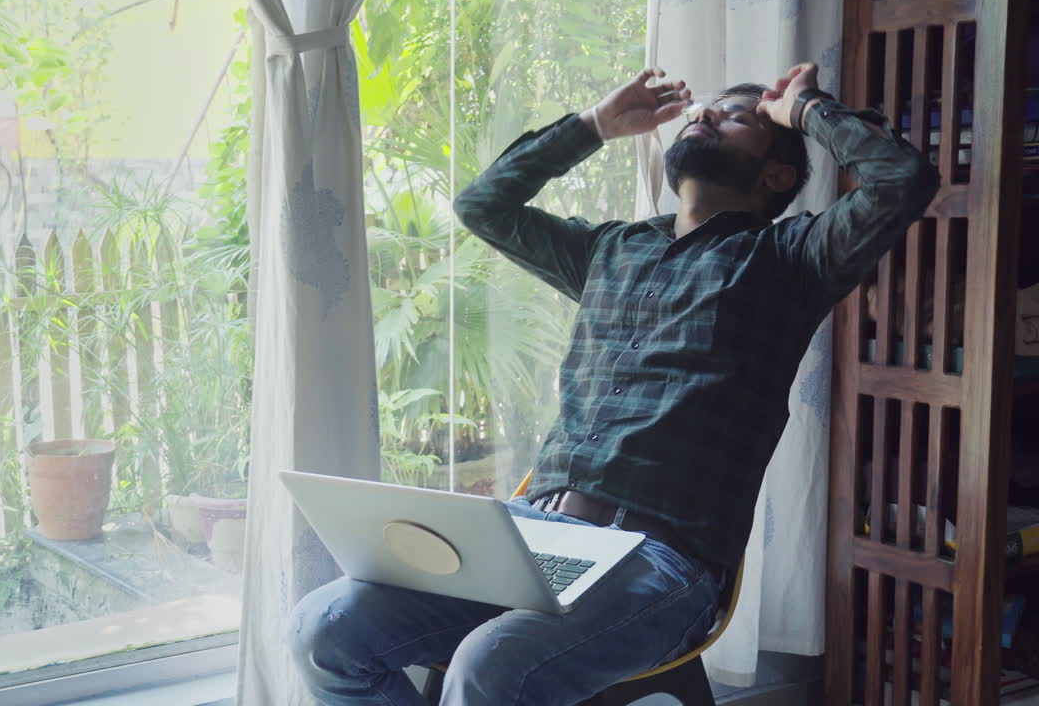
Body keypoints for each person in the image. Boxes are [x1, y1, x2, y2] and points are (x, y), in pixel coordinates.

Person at [287, 62, 940, 706]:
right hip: (534, 532)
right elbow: (481, 206)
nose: (706, 114)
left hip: (662, 559)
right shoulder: (612, 250)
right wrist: (594, 125)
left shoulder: (790, 261)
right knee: (324, 631)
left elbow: (903, 180)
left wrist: (802, 110)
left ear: (777, 176)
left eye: (737, 116)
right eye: (705, 108)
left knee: (492, 667)